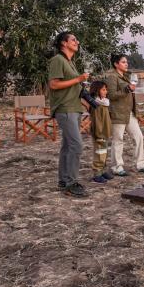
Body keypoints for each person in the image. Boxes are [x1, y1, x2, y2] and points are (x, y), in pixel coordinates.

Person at [47, 31, 91, 197]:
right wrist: (79, 79)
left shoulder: (70, 62)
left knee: (67, 146)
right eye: (73, 40)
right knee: (76, 145)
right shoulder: (58, 60)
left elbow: (74, 89)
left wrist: (88, 104)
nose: (77, 42)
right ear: (63, 43)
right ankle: (71, 183)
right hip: (65, 109)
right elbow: (54, 85)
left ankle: (64, 181)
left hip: (74, 108)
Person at [106, 53, 144, 176]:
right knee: (118, 140)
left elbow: (130, 90)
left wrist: (130, 88)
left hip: (130, 112)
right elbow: (111, 95)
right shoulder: (111, 76)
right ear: (116, 64)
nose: (126, 64)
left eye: (126, 62)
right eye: (123, 62)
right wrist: (127, 89)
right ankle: (117, 167)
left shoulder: (127, 76)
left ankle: (140, 164)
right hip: (117, 112)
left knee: (138, 137)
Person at [87, 80, 114, 184]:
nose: (106, 91)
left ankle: (103, 170)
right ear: (96, 90)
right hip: (99, 133)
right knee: (99, 153)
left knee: (105, 152)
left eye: (106, 89)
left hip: (105, 132)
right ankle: (97, 174)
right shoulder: (96, 104)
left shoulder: (105, 102)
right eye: (103, 89)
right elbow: (97, 121)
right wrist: (99, 134)